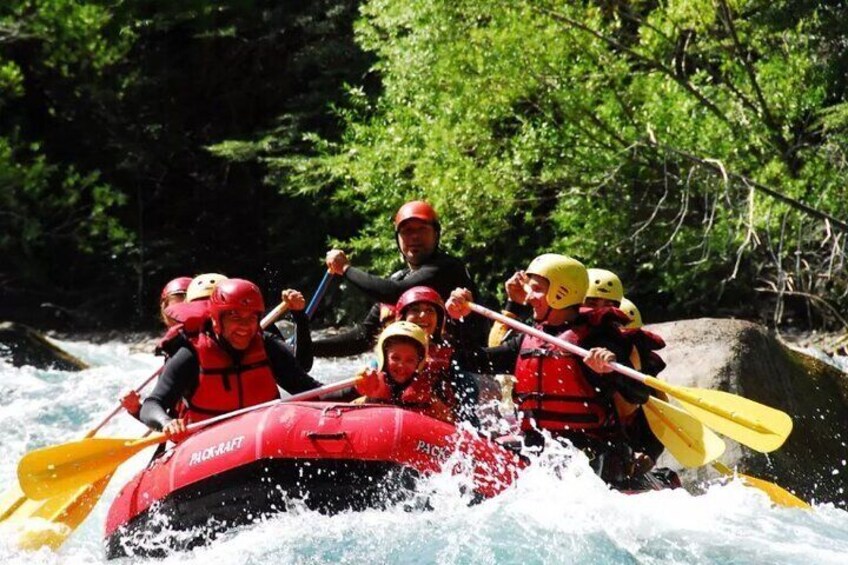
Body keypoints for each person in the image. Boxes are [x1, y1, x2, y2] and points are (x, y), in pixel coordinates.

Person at [446, 254, 658, 490]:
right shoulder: (528, 337)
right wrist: (458, 321)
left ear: (561, 292)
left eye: (536, 289)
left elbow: (639, 395)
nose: (528, 297)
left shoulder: (598, 337)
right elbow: (473, 361)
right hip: (538, 448)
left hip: (592, 456)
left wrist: (610, 371)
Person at [140, 278, 331, 441]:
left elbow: (309, 389)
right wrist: (166, 423)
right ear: (215, 320)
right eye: (234, 316)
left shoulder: (266, 344)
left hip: (264, 438)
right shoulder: (191, 353)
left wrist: (355, 390)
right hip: (206, 447)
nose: (244, 326)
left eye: (250, 318)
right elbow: (152, 404)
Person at [314, 200, 485, 358]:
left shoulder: (448, 268)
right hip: (413, 373)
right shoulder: (399, 278)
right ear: (398, 238)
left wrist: (345, 269)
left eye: (422, 229)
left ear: (436, 234)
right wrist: (311, 348)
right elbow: (363, 338)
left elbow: (396, 292)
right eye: (407, 231)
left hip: (463, 371)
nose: (415, 237)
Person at [395, 286, 479, 425]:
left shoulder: (451, 358)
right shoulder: (387, 353)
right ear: (403, 317)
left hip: (441, 426)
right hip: (396, 421)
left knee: (466, 380)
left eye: (430, 311)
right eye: (415, 310)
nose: (423, 316)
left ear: (439, 322)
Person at [354, 321, 456, 423]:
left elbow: (451, 424)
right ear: (384, 357)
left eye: (410, 360)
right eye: (395, 358)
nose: (401, 366)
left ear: (419, 362)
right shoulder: (371, 385)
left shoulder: (430, 395)